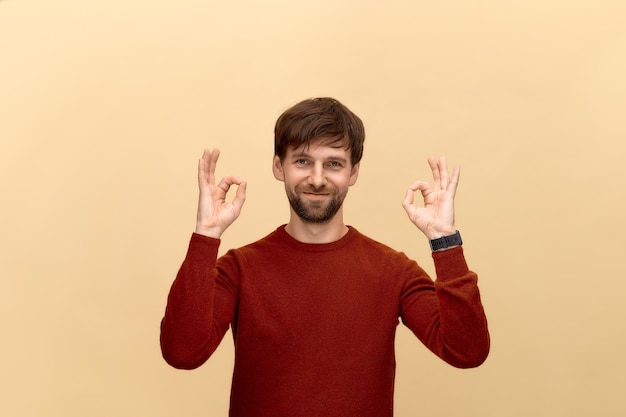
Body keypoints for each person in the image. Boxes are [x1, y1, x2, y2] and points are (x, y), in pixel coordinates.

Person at [160, 97, 490, 417]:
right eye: (302, 161)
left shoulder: (393, 271)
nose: (317, 179)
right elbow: (183, 353)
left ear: (354, 172)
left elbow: (467, 351)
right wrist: (206, 236)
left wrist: (445, 241)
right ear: (279, 166)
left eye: (333, 164)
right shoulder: (239, 269)